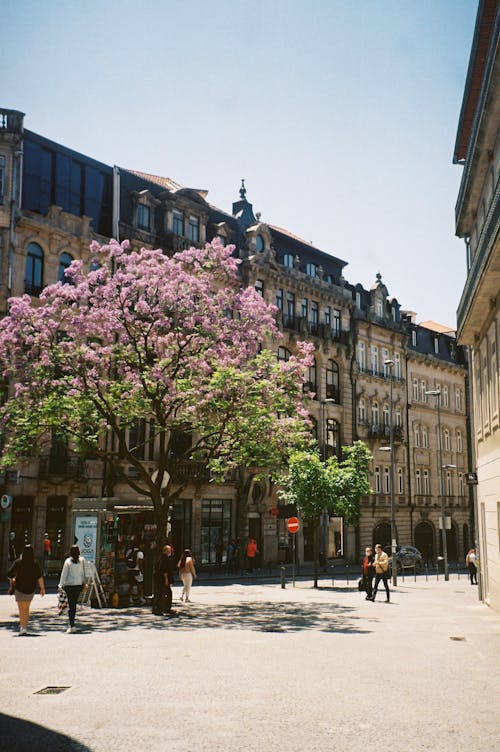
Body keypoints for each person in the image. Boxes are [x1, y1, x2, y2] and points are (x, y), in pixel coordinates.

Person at [7, 544, 45, 636]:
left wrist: (13, 580)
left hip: (19, 588)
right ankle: (24, 627)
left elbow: (9, 574)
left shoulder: (18, 562)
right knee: (26, 608)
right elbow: (39, 577)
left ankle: (22, 627)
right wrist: (42, 588)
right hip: (30, 589)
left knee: (21, 609)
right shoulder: (35, 563)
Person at [58, 545, 86, 633]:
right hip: (78, 585)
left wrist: (60, 585)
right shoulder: (82, 560)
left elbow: (64, 574)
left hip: (69, 585)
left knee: (70, 604)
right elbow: (83, 573)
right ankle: (72, 623)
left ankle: (71, 624)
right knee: (73, 604)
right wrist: (84, 583)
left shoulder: (68, 561)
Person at [152, 544, 176, 616]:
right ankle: (163, 609)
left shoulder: (160, 558)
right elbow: (165, 571)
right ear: (165, 551)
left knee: (160, 593)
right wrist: (167, 580)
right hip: (163, 580)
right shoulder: (165, 559)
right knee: (165, 594)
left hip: (159, 579)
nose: (170, 552)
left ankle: (159, 608)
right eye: (168, 551)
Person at [126, 540, 145, 605]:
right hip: (137, 570)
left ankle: (130, 599)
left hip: (129, 570)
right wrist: (142, 572)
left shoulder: (129, 551)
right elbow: (140, 563)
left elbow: (126, 559)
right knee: (139, 584)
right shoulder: (140, 553)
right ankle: (141, 598)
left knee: (131, 585)